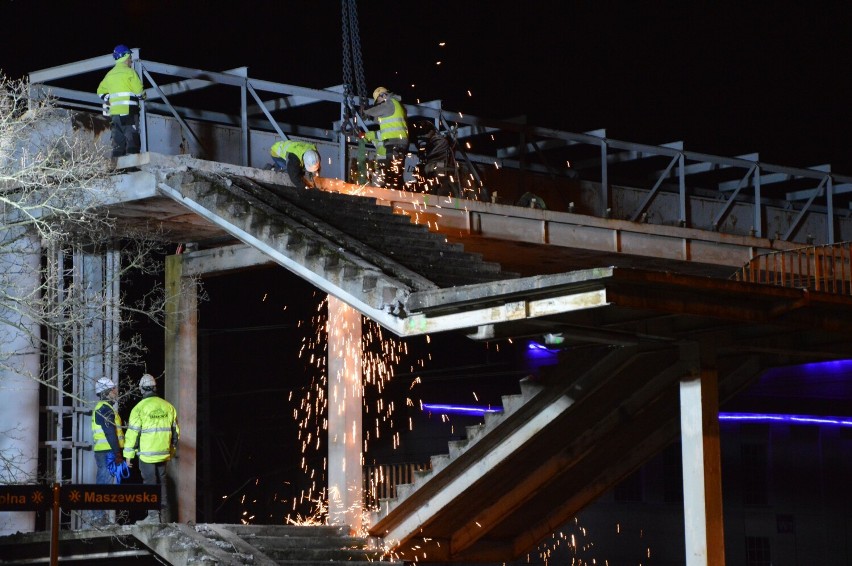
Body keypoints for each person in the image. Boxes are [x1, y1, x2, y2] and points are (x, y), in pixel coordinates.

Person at [123, 373, 179, 524]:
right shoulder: (169, 407)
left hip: (147, 454)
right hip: (163, 453)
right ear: (155, 388)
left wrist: (128, 456)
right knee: (162, 481)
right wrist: (171, 452)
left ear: (141, 389)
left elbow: (132, 434)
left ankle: (153, 517)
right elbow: (175, 433)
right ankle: (165, 516)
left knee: (149, 482)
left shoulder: (139, 409)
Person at [96, 44, 145, 158]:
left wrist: (110, 98)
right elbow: (139, 92)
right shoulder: (130, 72)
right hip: (129, 113)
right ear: (126, 57)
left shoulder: (110, 74)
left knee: (118, 143)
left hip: (115, 115)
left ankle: (116, 169)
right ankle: (132, 168)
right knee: (132, 139)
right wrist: (143, 96)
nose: (131, 60)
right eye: (130, 58)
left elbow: (100, 91)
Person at [90, 377, 124, 527]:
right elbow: (110, 432)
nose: (116, 391)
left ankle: (100, 518)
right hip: (107, 452)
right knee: (104, 484)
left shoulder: (104, 408)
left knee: (105, 483)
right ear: (106, 392)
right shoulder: (105, 409)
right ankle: (98, 518)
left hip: (105, 451)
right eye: (113, 389)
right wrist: (117, 453)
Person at [361, 86, 409, 189]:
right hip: (398, 142)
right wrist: (370, 116)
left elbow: (376, 110)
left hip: (395, 142)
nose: (379, 103)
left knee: (390, 170)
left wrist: (365, 110)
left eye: (378, 100)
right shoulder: (395, 105)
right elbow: (381, 119)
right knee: (396, 170)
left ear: (383, 95)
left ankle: (392, 193)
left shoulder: (390, 103)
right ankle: (399, 192)